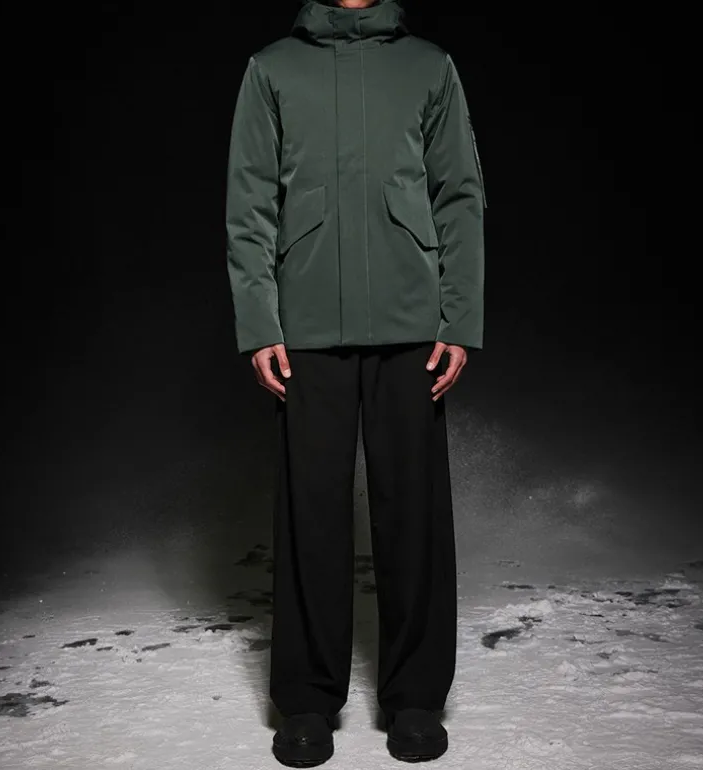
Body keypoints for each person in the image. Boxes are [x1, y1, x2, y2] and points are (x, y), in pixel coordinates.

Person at [225, 0, 485, 765]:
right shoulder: (272, 68)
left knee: (414, 513)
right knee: (310, 514)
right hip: (305, 324)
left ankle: (416, 698)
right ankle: (306, 700)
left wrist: (460, 318)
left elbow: (460, 193)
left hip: (412, 320)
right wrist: (260, 324)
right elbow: (249, 202)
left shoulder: (429, 65)